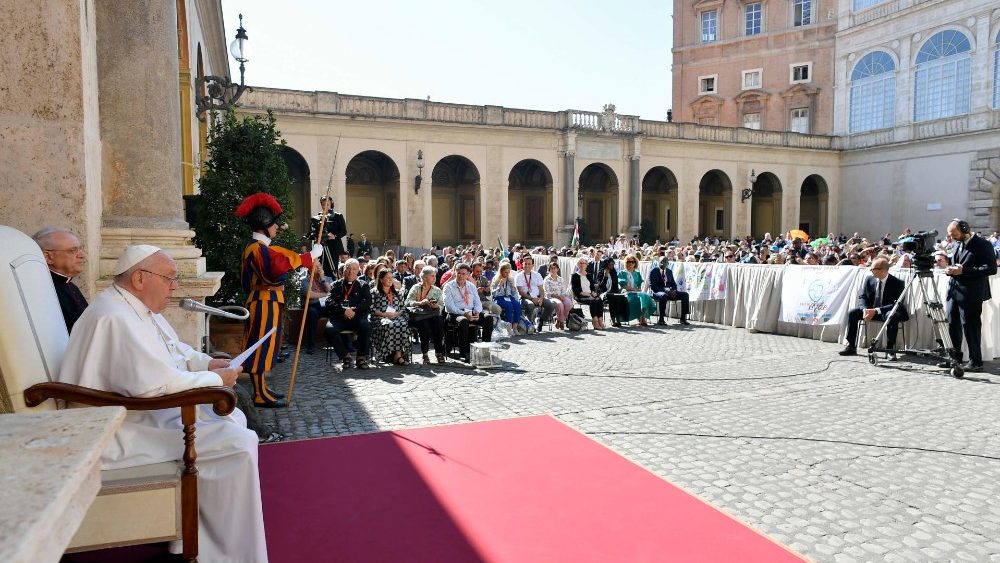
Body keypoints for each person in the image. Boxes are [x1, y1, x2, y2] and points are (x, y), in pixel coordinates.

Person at [58, 245, 267, 562]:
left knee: (232, 421)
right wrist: (216, 382)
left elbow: (176, 351)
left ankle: (190, 536)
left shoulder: (133, 307)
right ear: (140, 278)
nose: (175, 287)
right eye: (169, 278)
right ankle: (224, 554)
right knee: (236, 443)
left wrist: (207, 364)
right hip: (115, 430)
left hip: (133, 413)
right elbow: (156, 386)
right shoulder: (115, 317)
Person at [236, 193, 321, 408]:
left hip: (270, 300)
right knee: (260, 346)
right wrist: (308, 257)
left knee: (267, 344)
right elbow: (275, 268)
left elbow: (280, 260)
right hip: (263, 301)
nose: (277, 228)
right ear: (264, 226)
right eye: (273, 224)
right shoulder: (256, 249)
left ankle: (262, 389)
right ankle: (259, 394)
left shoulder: (262, 249)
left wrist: (306, 259)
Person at [942, 219, 997, 372]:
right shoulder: (956, 244)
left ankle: (976, 361)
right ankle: (955, 359)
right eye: (950, 235)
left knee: (970, 326)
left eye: (955, 234)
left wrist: (964, 271)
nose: (952, 238)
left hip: (971, 293)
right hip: (954, 291)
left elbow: (991, 269)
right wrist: (950, 269)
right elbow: (956, 263)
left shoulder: (983, 244)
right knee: (953, 325)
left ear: (965, 230)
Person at [839, 257, 909, 358]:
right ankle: (851, 346)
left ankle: (890, 350)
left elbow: (897, 304)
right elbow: (862, 297)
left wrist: (875, 311)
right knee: (852, 313)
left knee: (892, 316)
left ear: (882, 270)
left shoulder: (898, 283)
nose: (870, 271)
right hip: (870, 310)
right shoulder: (869, 279)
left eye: (873, 269)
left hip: (887, 311)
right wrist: (865, 310)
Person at [33, 227, 88, 332]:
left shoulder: (71, 287)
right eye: (72, 250)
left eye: (80, 249)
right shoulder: (43, 291)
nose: (82, 255)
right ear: (48, 257)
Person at [324, 259, 373, 369]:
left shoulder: (363, 285)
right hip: (340, 318)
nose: (351, 272)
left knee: (366, 326)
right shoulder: (335, 285)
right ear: (343, 270)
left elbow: (368, 301)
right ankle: (345, 356)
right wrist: (343, 310)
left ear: (358, 271)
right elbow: (329, 301)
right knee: (329, 329)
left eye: (354, 269)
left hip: (357, 317)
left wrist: (354, 310)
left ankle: (361, 357)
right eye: (348, 268)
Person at [443, 263, 494, 363]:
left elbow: (477, 302)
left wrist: (477, 312)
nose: (461, 276)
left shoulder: (471, 286)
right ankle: (462, 353)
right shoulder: (448, 286)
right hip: (455, 313)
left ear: (468, 275)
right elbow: (449, 306)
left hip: (470, 312)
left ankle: (484, 350)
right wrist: (463, 313)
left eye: (464, 274)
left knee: (488, 318)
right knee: (463, 321)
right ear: (455, 273)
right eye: (459, 273)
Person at [406, 266, 446, 364]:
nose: (434, 278)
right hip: (419, 315)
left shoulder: (436, 290)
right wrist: (420, 303)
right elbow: (407, 302)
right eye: (432, 276)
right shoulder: (416, 287)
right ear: (424, 277)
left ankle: (439, 352)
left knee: (439, 323)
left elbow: (441, 305)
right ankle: (425, 354)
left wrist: (436, 306)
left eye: (435, 276)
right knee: (425, 327)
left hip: (432, 314)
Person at [371, 269, 411, 365]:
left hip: (396, 316)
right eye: (387, 278)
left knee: (402, 323)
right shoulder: (374, 292)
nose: (390, 280)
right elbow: (371, 309)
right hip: (381, 317)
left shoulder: (397, 292)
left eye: (391, 278)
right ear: (381, 279)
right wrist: (384, 314)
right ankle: (387, 354)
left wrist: (397, 314)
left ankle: (398, 354)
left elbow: (403, 307)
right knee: (389, 324)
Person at [309, 196, 348, 279]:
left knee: (332, 269)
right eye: (323, 204)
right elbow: (313, 231)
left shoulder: (338, 216)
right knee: (321, 268)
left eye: (327, 204)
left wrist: (335, 236)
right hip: (321, 246)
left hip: (333, 247)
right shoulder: (317, 218)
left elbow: (344, 231)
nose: (325, 206)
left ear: (331, 204)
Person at [515, 255, 555, 332]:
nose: (527, 265)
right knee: (530, 305)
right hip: (525, 298)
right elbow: (520, 291)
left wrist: (541, 298)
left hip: (538, 297)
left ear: (532, 265)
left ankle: (541, 320)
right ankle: (531, 324)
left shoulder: (537, 275)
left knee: (551, 304)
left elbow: (541, 289)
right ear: (522, 264)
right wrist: (532, 299)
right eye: (525, 263)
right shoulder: (519, 276)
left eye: (529, 264)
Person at [648, 257, 691, 325]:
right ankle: (661, 319)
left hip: (670, 292)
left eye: (665, 262)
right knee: (663, 295)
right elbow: (652, 286)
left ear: (667, 263)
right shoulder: (653, 271)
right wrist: (666, 291)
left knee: (685, 295)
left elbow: (673, 284)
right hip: (657, 292)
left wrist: (674, 291)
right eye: (661, 261)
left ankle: (683, 319)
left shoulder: (669, 271)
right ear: (658, 262)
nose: (662, 263)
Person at [299, 265, 330, 355]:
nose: (319, 269)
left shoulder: (328, 279)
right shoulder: (305, 281)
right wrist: (325, 294)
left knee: (337, 312)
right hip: (312, 305)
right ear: (310, 269)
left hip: (326, 305)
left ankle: (341, 342)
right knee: (311, 314)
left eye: (320, 267)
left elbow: (330, 291)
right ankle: (311, 345)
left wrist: (323, 279)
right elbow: (310, 294)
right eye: (316, 267)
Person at [618, 255, 657, 326]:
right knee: (639, 297)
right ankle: (640, 317)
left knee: (645, 296)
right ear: (626, 263)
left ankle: (642, 317)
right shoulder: (622, 273)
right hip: (626, 293)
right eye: (628, 261)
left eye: (632, 262)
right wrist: (634, 289)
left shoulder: (637, 273)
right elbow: (624, 286)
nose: (630, 263)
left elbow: (639, 285)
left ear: (635, 263)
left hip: (636, 292)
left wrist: (638, 289)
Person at [491, 261, 526, 334]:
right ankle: (508, 327)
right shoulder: (496, 279)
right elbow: (493, 294)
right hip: (499, 298)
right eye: (505, 272)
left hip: (509, 298)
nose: (507, 274)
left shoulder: (510, 279)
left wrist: (513, 286)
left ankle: (515, 327)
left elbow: (514, 294)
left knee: (517, 305)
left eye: (508, 272)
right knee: (509, 306)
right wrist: (499, 286)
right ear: (501, 272)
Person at [571, 256, 605, 329]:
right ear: (577, 264)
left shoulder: (589, 275)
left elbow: (592, 288)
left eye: (584, 263)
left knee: (599, 300)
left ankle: (600, 320)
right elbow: (576, 290)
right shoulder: (575, 276)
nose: (582, 265)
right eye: (580, 263)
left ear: (586, 265)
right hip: (580, 296)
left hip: (590, 295)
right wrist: (589, 295)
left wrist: (593, 293)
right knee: (593, 301)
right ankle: (595, 320)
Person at [596, 257, 628, 327]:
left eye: (613, 264)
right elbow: (601, 287)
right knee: (613, 298)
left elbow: (615, 285)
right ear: (606, 264)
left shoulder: (614, 272)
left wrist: (618, 293)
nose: (611, 266)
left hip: (613, 292)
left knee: (621, 297)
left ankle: (619, 317)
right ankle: (613, 319)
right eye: (610, 264)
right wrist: (605, 276)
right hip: (603, 293)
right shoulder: (601, 272)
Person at [543, 261, 574, 330]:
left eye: (555, 268)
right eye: (551, 268)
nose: (553, 270)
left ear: (558, 269)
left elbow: (564, 290)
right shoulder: (547, 279)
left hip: (561, 296)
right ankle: (562, 322)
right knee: (560, 305)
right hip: (551, 297)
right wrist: (557, 296)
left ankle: (559, 319)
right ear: (549, 270)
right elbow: (547, 292)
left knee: (569, 304)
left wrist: (562, 296)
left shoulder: (561, 279)